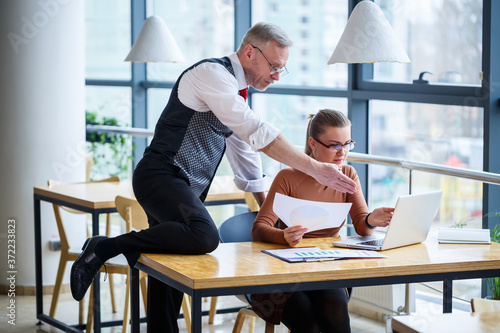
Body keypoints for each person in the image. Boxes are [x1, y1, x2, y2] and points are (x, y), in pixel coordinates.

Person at [70, 23, 357, 332]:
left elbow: (244, 153)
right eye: (274, 66)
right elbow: (256, 131)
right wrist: (314, 168)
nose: (276, 75)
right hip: (159, 175)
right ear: (250, 52)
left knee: (169, 275)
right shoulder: (212, 75)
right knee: (205, 236)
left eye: (281, 70)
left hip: (185, 187)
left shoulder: (235, 95)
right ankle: (105, 246)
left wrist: (266, 211)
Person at [251, 109, 395, 333]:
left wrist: (371, 220)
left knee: (335, 311)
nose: (342, 152)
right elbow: (259, 229)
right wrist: (283, 236)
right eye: (334, 145)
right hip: (286, 272)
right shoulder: (287, 177)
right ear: (313, 143)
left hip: (326, 267)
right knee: (308, 322)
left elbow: (361, 226)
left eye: (347, 144)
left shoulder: (348, 174)